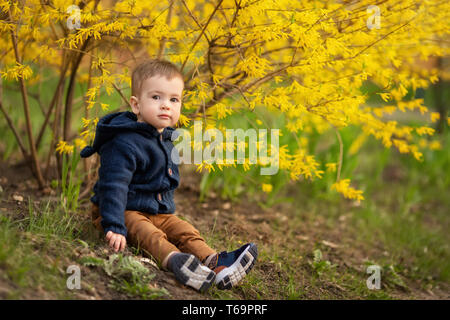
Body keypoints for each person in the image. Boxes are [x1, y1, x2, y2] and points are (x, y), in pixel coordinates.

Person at [80, 59, 257, 292]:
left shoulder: (167, 138)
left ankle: (216, 264)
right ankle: (176, 261)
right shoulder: (123, 142)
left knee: (184, 230)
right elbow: (114, 186)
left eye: (174, 100)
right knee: (148, 233)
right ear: (136, 105)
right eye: (156, 98)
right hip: (121, 210)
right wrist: (113, 225)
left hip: (156, 213)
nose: (166, 106)